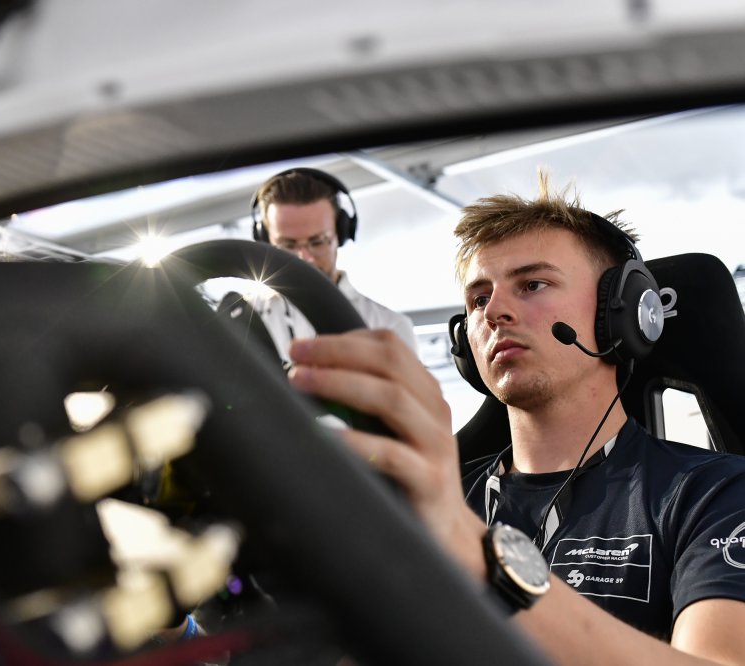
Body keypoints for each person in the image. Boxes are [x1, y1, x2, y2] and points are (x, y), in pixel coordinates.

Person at [285, 173, 745, 664]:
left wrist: (471, 548)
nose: (495, 311)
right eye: (479, 298)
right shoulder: (432, 500)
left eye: (532, 284)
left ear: (621, 313)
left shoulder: (714, 494)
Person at [248, 168, 419, 360]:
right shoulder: (239, 323)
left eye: (317, 242)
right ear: (265, 241)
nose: (304, 258)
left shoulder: (390, 327)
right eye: (288, 245)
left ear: (341, 234)